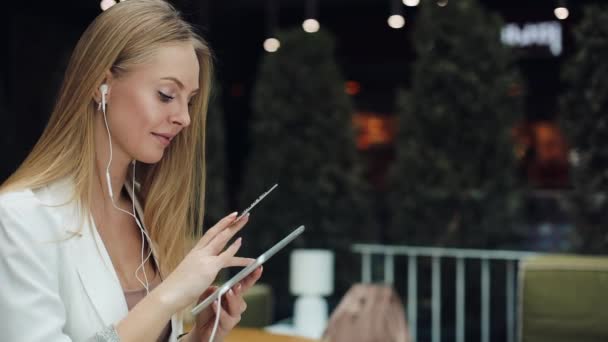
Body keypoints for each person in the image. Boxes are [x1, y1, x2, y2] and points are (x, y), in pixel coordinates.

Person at [0, 0, 262, 341]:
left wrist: (200, 335)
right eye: (167, 95)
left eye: (190, 101)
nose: (184, 117)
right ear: (100, 84)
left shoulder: (142, 210)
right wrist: (169, 296)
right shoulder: (19, 218)